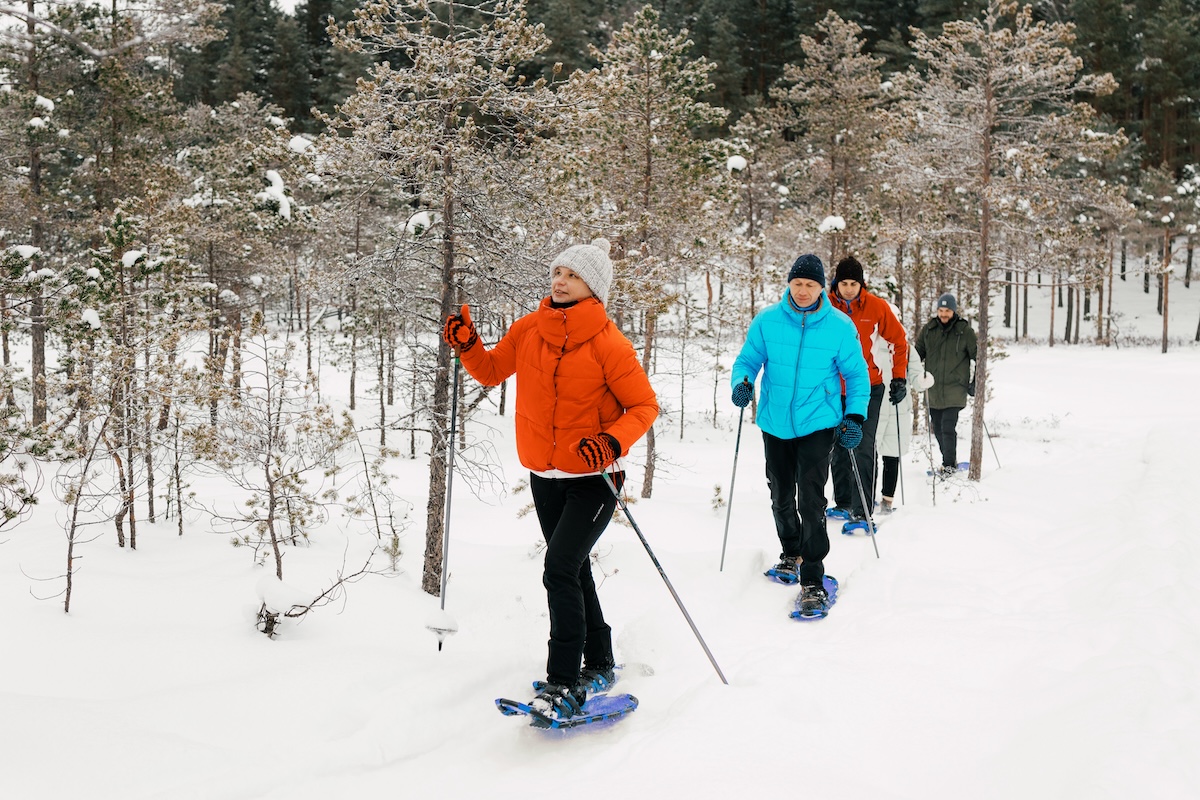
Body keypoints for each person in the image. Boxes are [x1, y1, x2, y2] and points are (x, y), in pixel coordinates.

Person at [441, 238, 658, 718]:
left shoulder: (609, 344)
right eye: (558, 272)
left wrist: (611, 441)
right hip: (545, 473)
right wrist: (469, 346)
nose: (559, 281)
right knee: (573, 568)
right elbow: (493, 372)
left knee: (558, 568)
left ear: (593, 289)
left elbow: (644, 406)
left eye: (572, 276)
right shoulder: (530, 329)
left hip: (595, 477)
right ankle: (598, 661)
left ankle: (564, 684)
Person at [730, 253, 870, 618]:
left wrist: (854, 415)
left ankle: (812, 579)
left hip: (818, 422)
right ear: (788, 284)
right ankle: (790, 551)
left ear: (822, 287)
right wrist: (742, 383)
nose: (803, 291)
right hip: (775, 421)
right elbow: (747, 362)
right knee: (780, 494)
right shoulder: (767, 322)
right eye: (798, 284)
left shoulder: (840, 327)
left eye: (810, 285)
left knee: (810, 497)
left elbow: (856, 376)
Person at [827, 256, 909, 523]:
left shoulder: (876, 307)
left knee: (863, 445)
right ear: (836, 283)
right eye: (844, 283)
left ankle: (862, 511)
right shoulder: (824, 306)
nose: (849, 289)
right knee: (838, 446)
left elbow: (899, 341)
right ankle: (843, 502)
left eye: (854, 283)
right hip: (833, 389)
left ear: (862, 283)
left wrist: (898, 378)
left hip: (869, 388)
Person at [915, 293, 977, 476]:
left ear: (954, 311)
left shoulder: (964, 331)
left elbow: (978, 357)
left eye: (947, 311)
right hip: (933, 389)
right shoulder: (929, 329)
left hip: (955, 388)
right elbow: (917, 355)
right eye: (941, 310)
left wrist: (975, 383)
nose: (943, 314)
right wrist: (915, 377)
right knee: (938, 427)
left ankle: (949, 465)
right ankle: (949, 461)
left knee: (948, 427)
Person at [872, 335, 934, 513]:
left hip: (896, 408)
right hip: (873, 407)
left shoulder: (905, 348)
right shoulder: (869, 343)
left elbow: (915, 375)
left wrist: (922, 380)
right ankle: (867, 498)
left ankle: (887, 501)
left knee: (892, 455)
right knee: (868, 456)